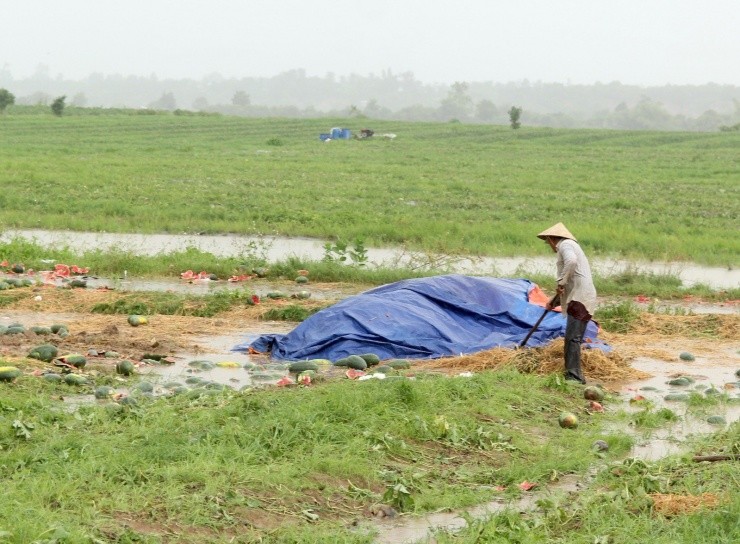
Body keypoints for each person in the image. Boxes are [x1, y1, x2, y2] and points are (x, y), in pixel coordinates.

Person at [537, 223, 597, 384]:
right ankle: (573, 375)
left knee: (572, 339)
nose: (548, 245)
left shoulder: (566, 245)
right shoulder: (569, 246)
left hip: (581, 298)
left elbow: (571, 262)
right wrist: (553, 301)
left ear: (551, 239)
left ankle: (574, 377)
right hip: (580, 296)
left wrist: (561, 281)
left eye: (547, 241)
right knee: (573, 338)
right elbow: (566, 286)